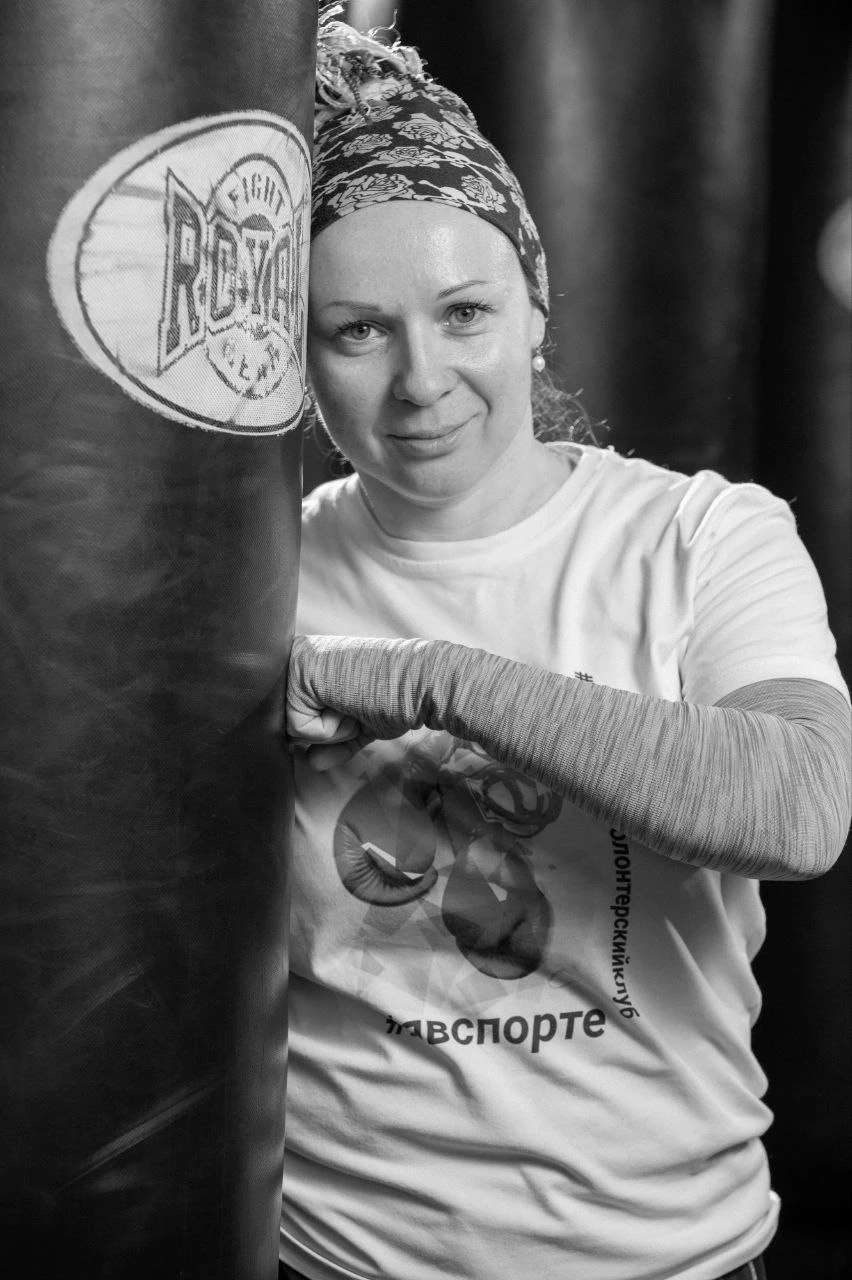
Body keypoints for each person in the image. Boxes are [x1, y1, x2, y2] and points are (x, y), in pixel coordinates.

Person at [280, 11, 851, 1280]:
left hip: (670, 1252)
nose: (422, 378)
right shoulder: (254, 577)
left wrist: (424, 678)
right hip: (344, 1257)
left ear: (535, 307)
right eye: (358, 329)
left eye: (465, 312)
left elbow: (800, 806)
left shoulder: (703, 535)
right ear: (302, 357)